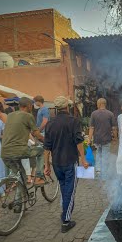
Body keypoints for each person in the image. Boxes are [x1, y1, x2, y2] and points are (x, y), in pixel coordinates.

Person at [44, 96, 89, 233]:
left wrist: (46, 165)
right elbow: (79, 141)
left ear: (56, 109)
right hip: (70, 161)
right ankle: (66, 220)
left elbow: (46, 147)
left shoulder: (50, 123)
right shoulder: (73, 121)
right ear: (67, 107)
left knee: (64, 188)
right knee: (70, 189)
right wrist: (83, 159)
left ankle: (65, 212)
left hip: (56, 163)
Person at [1, 97, 45, 191]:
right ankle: (39, 177)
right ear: (29, 106)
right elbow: (36, 133)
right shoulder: (28, 116)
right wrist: (47, 142)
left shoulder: (10, 115)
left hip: (4, 152)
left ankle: (19, 202)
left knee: (22, 176)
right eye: (31, 106)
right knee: (41, 151)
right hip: (19, 151)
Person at [88, 98, 117, 180]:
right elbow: (114, 128)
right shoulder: (110, 114)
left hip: (97, 139)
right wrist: (115, 138)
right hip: (106, 139)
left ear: (98, 104)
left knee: (98, 154)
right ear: (105, 104)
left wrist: (89, 140)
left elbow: (91, 128)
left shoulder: (94, 114)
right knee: (105, 156)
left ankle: (98, 171)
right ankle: (104, 173)